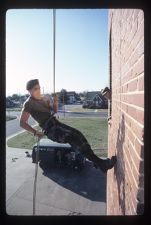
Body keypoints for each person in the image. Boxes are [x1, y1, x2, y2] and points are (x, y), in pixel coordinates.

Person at [20, 79, 117, 173]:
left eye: (39, 88)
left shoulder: (41, 99)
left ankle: (98, 162)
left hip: (56, 124)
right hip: (51, 130)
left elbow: (55, 111)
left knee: (79, 136)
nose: (38, 91)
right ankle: (100, 164)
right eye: (35, 89)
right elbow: (22, 122)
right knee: (76, 139)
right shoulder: (28, 103)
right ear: (29, 90)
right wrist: (35, 132)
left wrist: (56, 100)